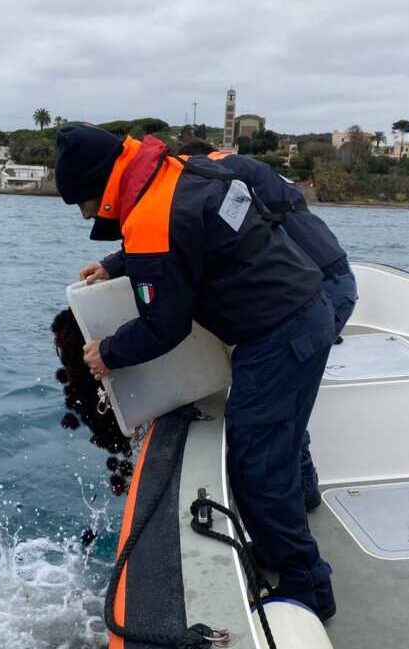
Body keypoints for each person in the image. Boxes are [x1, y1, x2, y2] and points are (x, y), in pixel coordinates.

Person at [55, 124, 337, 621]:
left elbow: (164, 327)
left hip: (279, 336)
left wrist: (108, 353)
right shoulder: (181, 170)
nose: (83, 213)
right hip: (305, 311)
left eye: (81, 202)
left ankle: (306, 585)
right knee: (276, 446)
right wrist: (118, 263)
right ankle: (282, 547)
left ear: (100, 185)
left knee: (256, 464)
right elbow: (191, 236)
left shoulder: (151, 216)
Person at [176, 140, 358, 511]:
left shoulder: (226, 174)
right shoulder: (244, 171)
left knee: (278, 403)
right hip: (332, 282)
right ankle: (300, 493)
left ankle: (299, 496)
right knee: (283, 399)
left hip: (321, 291)